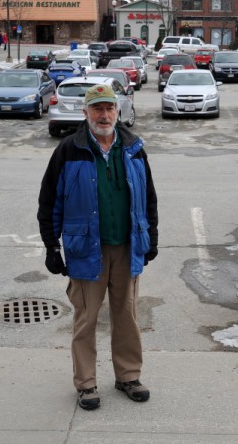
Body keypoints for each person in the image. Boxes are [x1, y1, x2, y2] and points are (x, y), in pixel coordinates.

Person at [37, 83, 159, 411]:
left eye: (109, 109)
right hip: (85, 250)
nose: (104, 115)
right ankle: (86, 383)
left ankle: (128, 375)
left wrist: (152, 237)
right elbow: (49, 202)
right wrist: (52, 246)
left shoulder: (133, 148)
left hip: (126, 247)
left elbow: (148, 196)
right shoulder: (69, 150)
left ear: (117, 112)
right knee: (86, 319)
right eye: (97, 109)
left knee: (127, 315)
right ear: (85, 113)